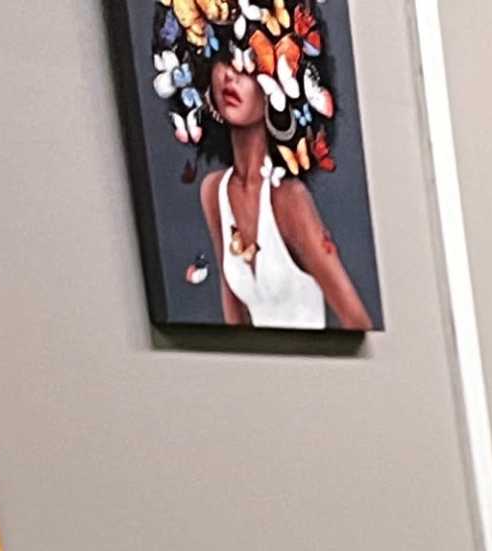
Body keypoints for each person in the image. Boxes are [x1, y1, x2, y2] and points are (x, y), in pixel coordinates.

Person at [149, 0, 371, 330]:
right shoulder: (214, 192)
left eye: (250, 63)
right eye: (223, 59)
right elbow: (234, 321)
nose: (230, 76)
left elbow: (357, 321)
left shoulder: (289, 200)